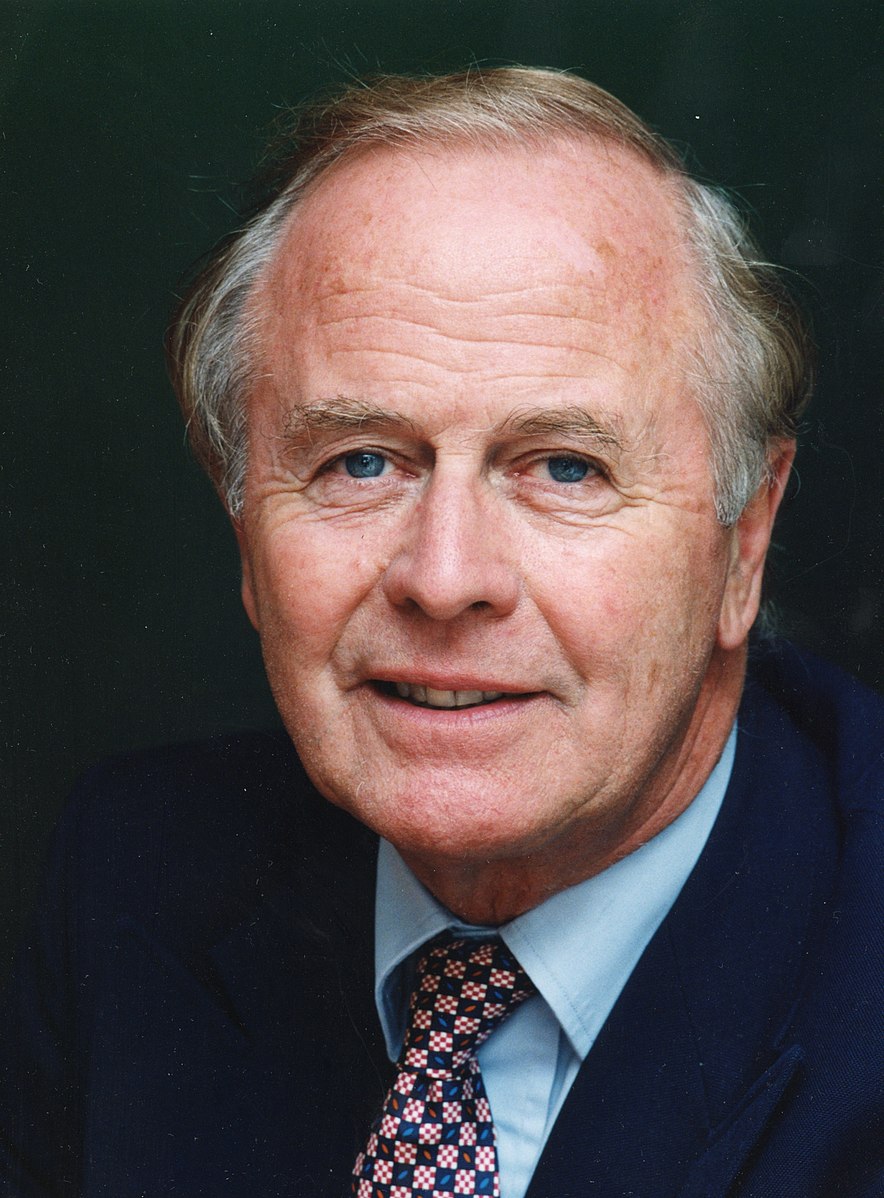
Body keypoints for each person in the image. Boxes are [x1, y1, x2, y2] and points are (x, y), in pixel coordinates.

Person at [1, 67, 881, 1198]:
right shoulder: (134, 875)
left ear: (742, 543)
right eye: (358, 461)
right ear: (244, 537)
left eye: (564, 467)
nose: (444, 576)